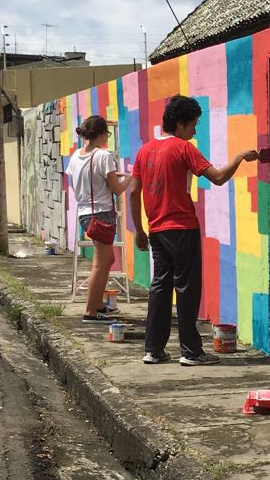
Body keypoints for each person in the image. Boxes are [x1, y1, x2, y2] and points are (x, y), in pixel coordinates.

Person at [128, 94, 259, 366]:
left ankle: (153, 349)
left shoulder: (144, 151)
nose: (196, 130)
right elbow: (219, 177)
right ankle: (191, 352)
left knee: (160, 287)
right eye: (194, 124)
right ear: (180, 123)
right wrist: (239, 157)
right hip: (183, 228)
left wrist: (139, 230)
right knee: (187, 289)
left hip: (156, 230)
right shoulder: (183, 149)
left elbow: (133, 191)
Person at [66, 115, 130, 323]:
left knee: (108, 260)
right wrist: (131, 176)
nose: (107, 138)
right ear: (102, 134)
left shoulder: (76, 156)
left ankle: (99, 304)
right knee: (100, 264)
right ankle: (90, 312)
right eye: (107, 134)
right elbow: (118, 189)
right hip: (102, 213)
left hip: (85, 213)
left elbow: (79, 184)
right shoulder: (104, 156)